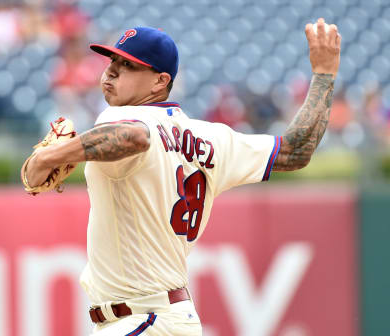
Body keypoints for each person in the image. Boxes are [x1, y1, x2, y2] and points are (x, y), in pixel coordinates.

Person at [24, 19, 341, 335]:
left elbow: (135, 137)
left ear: (159, 81)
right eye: (113, 60)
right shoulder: (213, 138)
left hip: (143, 318)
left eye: (129, 65)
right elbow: (295, 151)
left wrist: (49, 156)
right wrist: (324, 75)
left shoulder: (122, 116)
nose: (112, 70)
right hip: (168, 317)